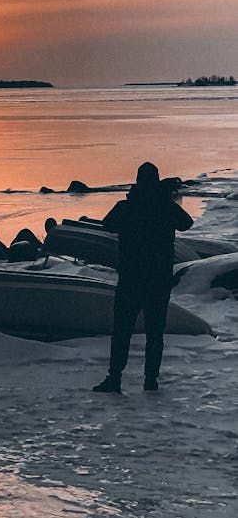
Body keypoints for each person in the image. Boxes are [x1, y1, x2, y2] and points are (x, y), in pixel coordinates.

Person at [93, 161, 193, 393]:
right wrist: (164, 200)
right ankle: (150, 381)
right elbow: (187, 223)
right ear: (156, 181)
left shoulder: (126, 207)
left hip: (131, 278)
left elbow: (107, 225)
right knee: (155, 332)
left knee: (122, 331)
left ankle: (115, 378)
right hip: (158, 279)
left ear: (137, 181)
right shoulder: (165, 206)